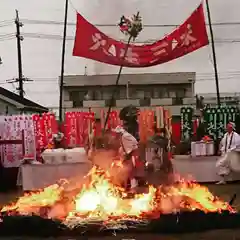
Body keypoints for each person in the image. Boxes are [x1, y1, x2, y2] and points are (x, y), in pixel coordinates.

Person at [113, 125, 145, 191]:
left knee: (131, 172)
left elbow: (129, 149)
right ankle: (132, 187)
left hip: (133, 155)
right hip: (132, 155)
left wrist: (126, 157)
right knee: (130, 172)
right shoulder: (124, 136)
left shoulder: (124, 136)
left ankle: (134, 187)